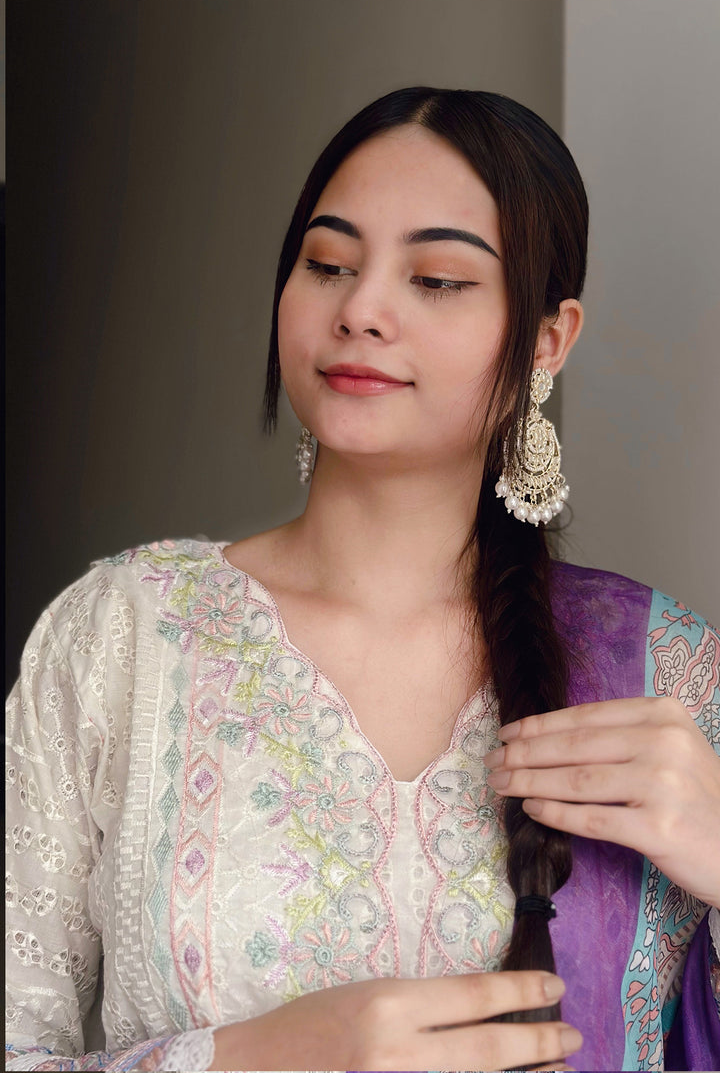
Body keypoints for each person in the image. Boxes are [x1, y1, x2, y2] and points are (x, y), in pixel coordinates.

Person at [5, 87, 720, 1073]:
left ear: (547, 341)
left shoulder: (663, 670)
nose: (360, 311)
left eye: (435, 279)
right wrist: (253, 1058)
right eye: (328, 264)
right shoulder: (121, 639)